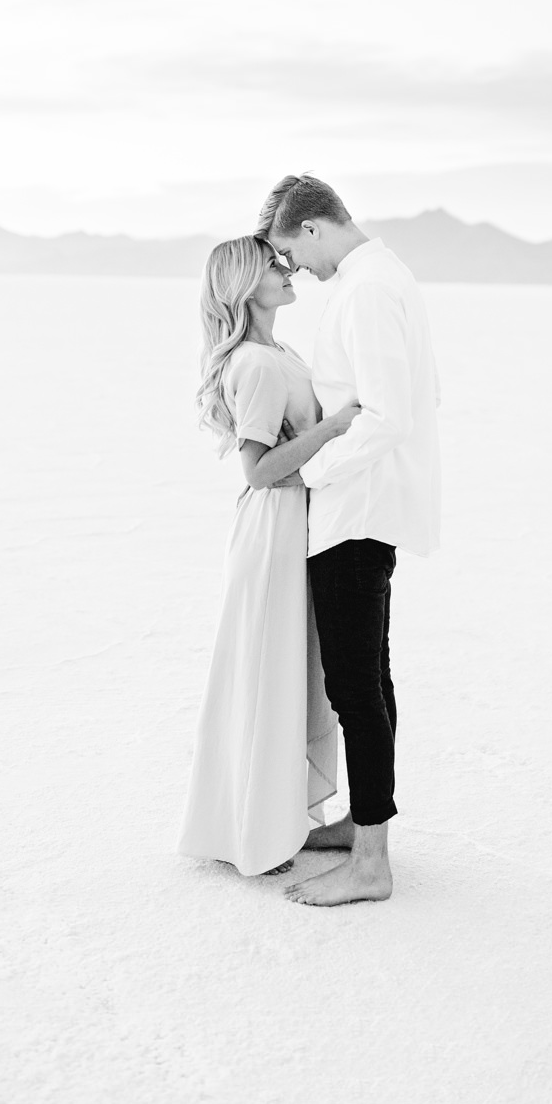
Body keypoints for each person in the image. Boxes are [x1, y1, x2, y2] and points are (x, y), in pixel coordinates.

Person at [260, 175, 441, 908]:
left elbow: (389, 412)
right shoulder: (380, 275)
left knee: (354, 689)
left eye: (290, 254)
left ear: (312, 228)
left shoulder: (366, 289)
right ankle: (362, 826)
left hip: (356, 508)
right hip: (365, 502)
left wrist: (312, 471)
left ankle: (372, 862)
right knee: (369, 681)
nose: (295, 270)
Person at [177, 236, 359, 878]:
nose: (289, 272)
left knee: (282, 673)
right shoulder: (255, 364)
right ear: (246, 283)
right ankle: (251, 831)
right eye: (274, 266)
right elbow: (257, 471)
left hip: (292, 527)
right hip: (273, 530)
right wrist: (332, 428)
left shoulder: (278, 351)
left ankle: (266, 818)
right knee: (265, 673)